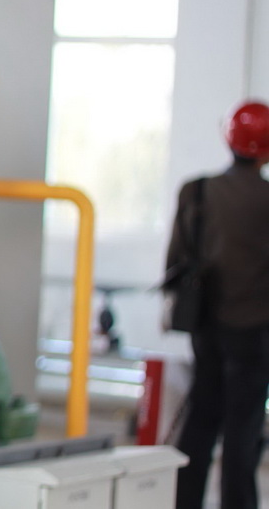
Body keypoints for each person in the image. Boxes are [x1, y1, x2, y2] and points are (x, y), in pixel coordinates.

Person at [169, 100, 269, 509]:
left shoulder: (197, 191)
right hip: (255, 332)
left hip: (206, 326)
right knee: (243, 430)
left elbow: (176, 258)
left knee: (200, 420)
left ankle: (185, 502)